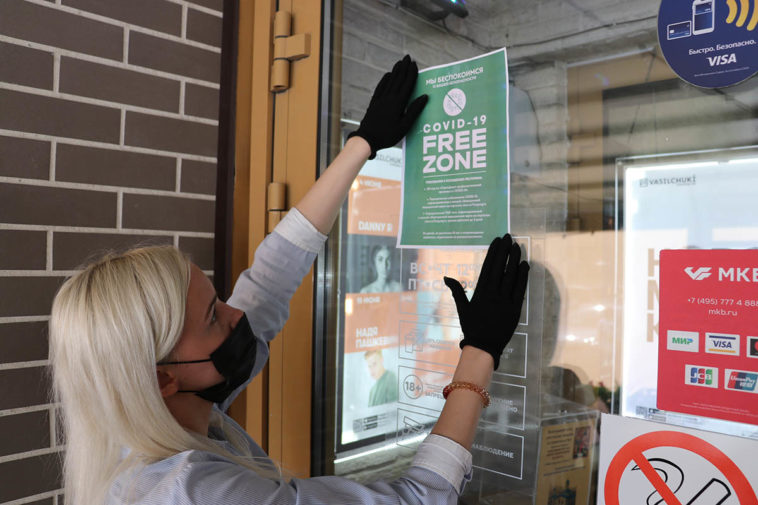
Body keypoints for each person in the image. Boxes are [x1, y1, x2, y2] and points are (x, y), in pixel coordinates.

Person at [49, 55, 529, 505]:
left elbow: (268, 281)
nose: (238, 314)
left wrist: (362, 144)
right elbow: (418, 499)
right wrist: (479, 353)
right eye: (213, 317)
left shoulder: (142, 421)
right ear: (161, 378)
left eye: (218, 300)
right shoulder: (196, 492)